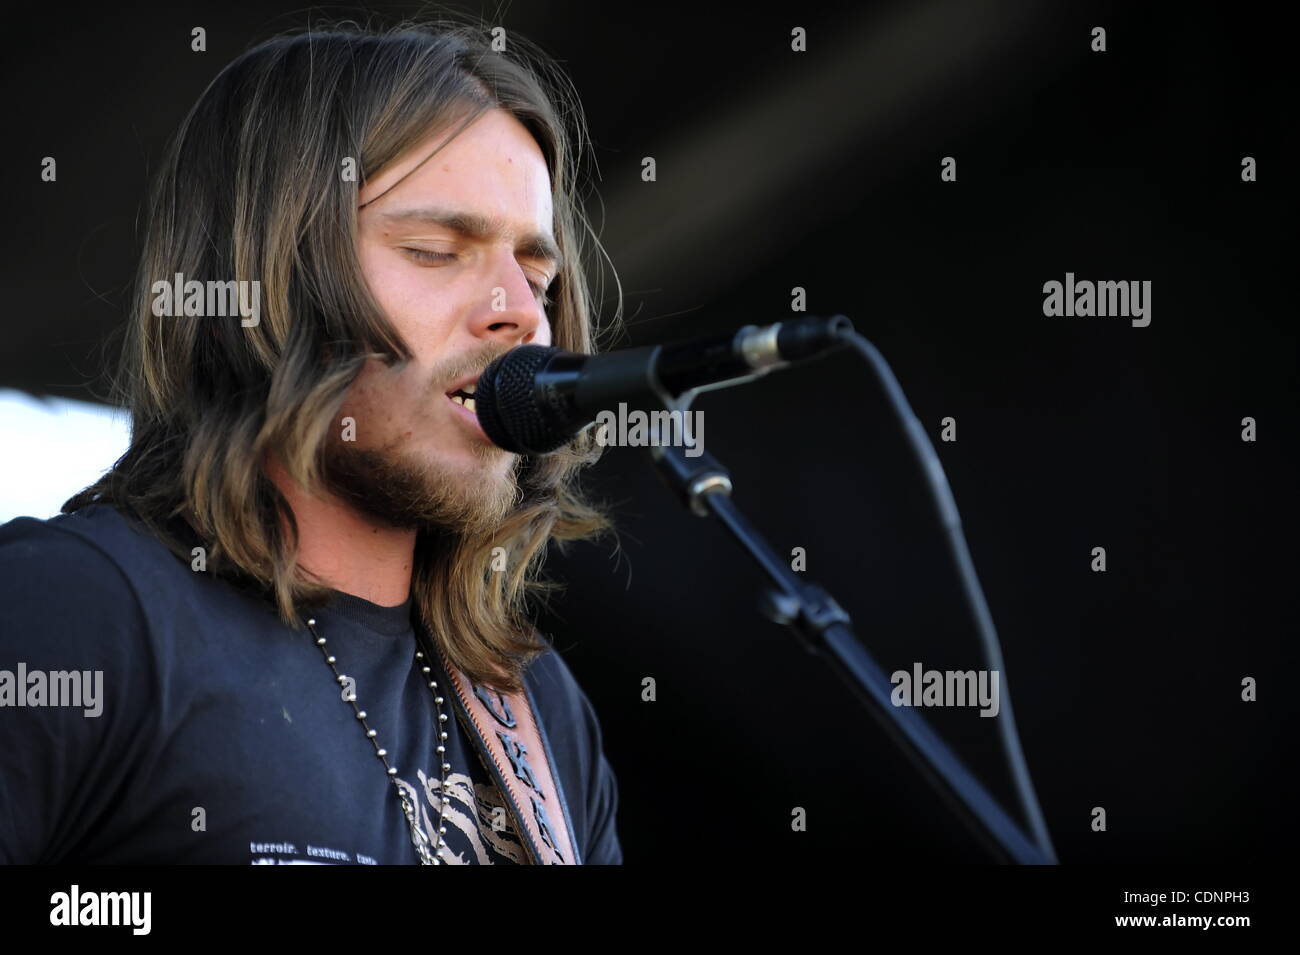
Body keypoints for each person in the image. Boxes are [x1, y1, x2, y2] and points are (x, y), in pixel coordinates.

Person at [0, 18, 624, 865]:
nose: (519, 309)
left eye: (538, 275)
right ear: (273, 280)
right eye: (437, 250)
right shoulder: (78, 610)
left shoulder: (537, 710)